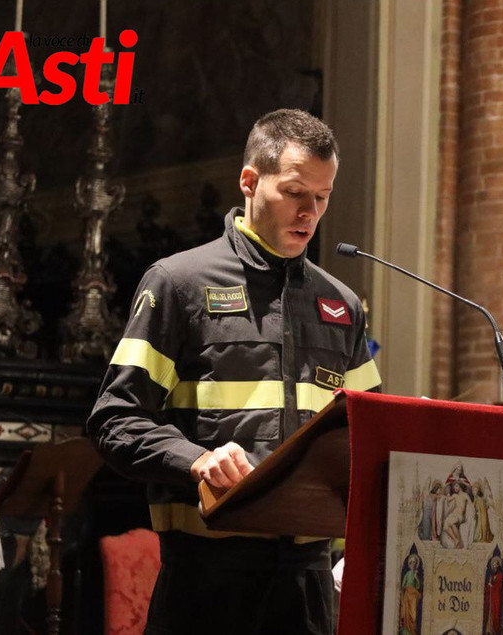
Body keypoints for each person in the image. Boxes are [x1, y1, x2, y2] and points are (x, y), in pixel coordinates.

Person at [87, 109, 382, 634]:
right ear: (249, 181)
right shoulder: (178, 283)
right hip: (206, 582)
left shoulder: (341, 304)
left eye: (323, 197)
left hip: (309, 586)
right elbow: (115, 421)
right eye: (294, 192)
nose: (310, 212)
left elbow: (370, 438)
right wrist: (197, 460)